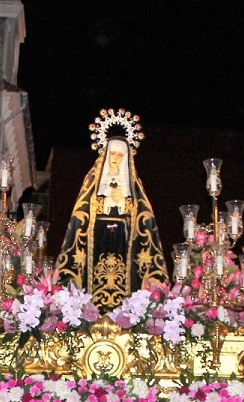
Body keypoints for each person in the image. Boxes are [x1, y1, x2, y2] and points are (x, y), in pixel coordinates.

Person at [55, 131, 169, 312]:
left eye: (120, 154)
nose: (116, 158)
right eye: (113, 153)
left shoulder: (133, 187)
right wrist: (105, 201)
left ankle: (131, 312)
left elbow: (145, 221)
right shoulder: (91, 185)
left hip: (125, 251)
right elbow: (79, 217)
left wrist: (124, 203)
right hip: (96, 248)